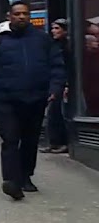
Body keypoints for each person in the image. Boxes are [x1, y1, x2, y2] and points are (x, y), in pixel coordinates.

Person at [0, 1, 66, 200]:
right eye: (17, 14)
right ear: (9, 16)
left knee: (30, 140)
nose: (21, 17)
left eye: (25, 14)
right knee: (10, 140)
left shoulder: (43, 40)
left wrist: (55, 89)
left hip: (35, 98)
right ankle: (11, 181)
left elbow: (57, 66)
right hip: (6, 100)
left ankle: (26, 176)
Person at [43, 18, 70, 154]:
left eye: (57, 28)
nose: (54, 31)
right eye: (53, 28)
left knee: (59, 113)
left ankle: (62, 142)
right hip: (56, 83)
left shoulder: (67, 46)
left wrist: (67, 84)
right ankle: (54, 142)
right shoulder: (54, 45)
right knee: (53, 113)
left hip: (63, 84)